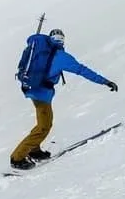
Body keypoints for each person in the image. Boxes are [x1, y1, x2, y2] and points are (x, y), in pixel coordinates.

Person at [12, 28, 117, 169]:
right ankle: (17, 158)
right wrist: (104, 81)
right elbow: (82, 70)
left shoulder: (39, 49)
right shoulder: (62, 57)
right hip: (41, 93)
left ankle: (34, 150)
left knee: (43, 123)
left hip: (32, 88)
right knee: (44, 126)